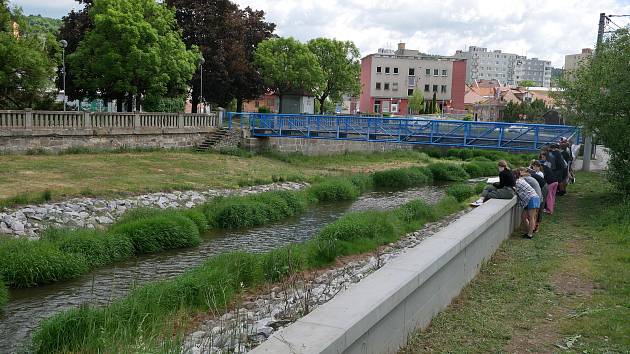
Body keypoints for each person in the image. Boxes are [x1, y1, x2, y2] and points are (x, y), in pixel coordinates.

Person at [514, 168, 541, 239]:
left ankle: (530, 234)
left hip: (533, 198)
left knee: (531, 217)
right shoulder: (520, 180)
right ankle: (529, 230)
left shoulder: (518, 182)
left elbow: (513, 190)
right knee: (523, 216)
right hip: (529, 199)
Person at [522, 166, 547, 232]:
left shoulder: (529, 176)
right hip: (539, 190)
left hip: (543, 188)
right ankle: (533, 227)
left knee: (538, 209)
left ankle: (536, 226)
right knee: (535, 212)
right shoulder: (531, 175)